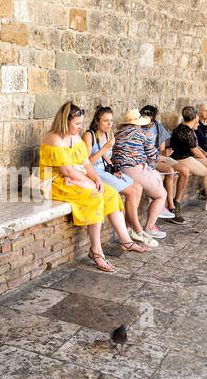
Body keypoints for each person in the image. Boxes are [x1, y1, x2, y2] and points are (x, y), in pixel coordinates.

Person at [40, 102, 149, 273]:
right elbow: (67, 170)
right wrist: (89, 183)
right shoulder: (54, 138)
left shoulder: (75, 138)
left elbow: (85, 163)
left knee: (110, 192)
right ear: (64, 122)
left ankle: (125, 240)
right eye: (76, 124)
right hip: (54, 181)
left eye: (81, 123)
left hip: (76, 176)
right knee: (94, 196)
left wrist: (96, 178)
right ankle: (96, 251)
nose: (80, 127)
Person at [82, 106, 156, 247]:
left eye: (111, 120)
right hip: (94, 173)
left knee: (138, 187)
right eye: (105, 121)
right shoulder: (89, 135)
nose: (109, 124)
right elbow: (87, 162)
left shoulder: (108, 135)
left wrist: (114, 169)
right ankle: (138, 230)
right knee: (130, 191)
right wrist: (105, 147)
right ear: (97, 121)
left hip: (105, 170)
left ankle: (129, 228)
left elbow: (106, 158)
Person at [111, 109, 171, 239]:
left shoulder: (117, 134)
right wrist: (158, 156)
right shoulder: (142, 133)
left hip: (119, 170)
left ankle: (129, 228)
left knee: (154, 176)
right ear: (138, 123)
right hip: (135, 169)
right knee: (162, 195)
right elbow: (152, 155)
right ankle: (150, 227)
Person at [169, 107, 207, 211]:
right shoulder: (186, 131)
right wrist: (204, 157)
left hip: (189, 157)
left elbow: (195, 146)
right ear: (195, 117)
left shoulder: (187, 128)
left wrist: (204, 154)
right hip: (181, 158)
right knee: (206, 172)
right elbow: (194, 150)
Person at [139, 104, 182, 222]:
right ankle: (171, 206)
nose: (145, 120)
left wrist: (163, 153)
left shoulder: (158, 126)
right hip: (148, 159)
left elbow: (162, 147)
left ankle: (172, 204)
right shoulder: (138, 128)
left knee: (181, 171)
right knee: (169, 171)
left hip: (158, 156)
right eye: (143, 116)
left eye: (147, 117)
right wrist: (157, 155)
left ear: (153, 118)